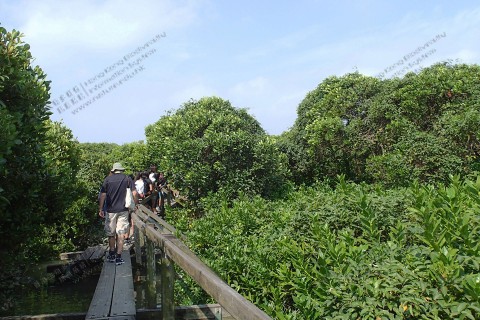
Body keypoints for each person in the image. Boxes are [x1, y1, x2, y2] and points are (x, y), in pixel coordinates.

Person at [99, 162, 138, 265]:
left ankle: (111, 254)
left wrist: (101, 209)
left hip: (110, 211)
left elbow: (102, 195)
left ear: (113, 170)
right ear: (122, 170)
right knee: (121, 233)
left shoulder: (107, 179)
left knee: (111, 233)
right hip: (123, 210)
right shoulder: (127, 179)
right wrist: (135, 205)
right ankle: (119, 257)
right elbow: (134, 193)